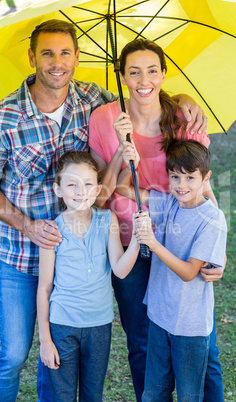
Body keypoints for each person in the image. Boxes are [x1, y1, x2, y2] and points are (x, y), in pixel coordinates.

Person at [0, 19, 210, 401]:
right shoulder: (2, 118)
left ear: (78, 57)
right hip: (24, 253)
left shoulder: (92, 100)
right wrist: (28, 225)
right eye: (47, 53)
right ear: (32, 57)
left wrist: (181, 99)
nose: (57, 61)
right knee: (14, 354)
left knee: (79, 354)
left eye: (65, 52)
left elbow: (143, 90)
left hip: (82, 254)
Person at [88, 38, 225, 401]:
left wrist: (215, 250)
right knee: (142, 342)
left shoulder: (185, 117)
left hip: (181, 244)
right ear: (121, 75)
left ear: (165, 74)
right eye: (133, 71)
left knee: (202, 343)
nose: (143, 79)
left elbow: (202, 186)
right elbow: (101, 195)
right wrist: (120, 149)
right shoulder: (104, 120)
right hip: (131, 244)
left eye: (152, 70)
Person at [121, 139, 227, 401]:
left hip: (190, 327)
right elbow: (123, 187)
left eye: (190, 177)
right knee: (153, 392)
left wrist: (152, 243)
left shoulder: (212, 218)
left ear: (206, 177)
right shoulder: (168, 203)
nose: (181, 185)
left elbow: (190, 272)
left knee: (190, 395)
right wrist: (128, 162)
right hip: (160, 316)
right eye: (175, 177)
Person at [37, 150, 145, 401]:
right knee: (62, 395)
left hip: (99, 325)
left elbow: (119, 269)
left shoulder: (108, 220)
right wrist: (45, 340)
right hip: (63, 325)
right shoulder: (51, 231)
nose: (80, 191)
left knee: (92, 394)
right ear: (58, 189)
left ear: (97, 190)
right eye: (71, 184)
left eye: (87, 184)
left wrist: (139, 239)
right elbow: (44, 289)